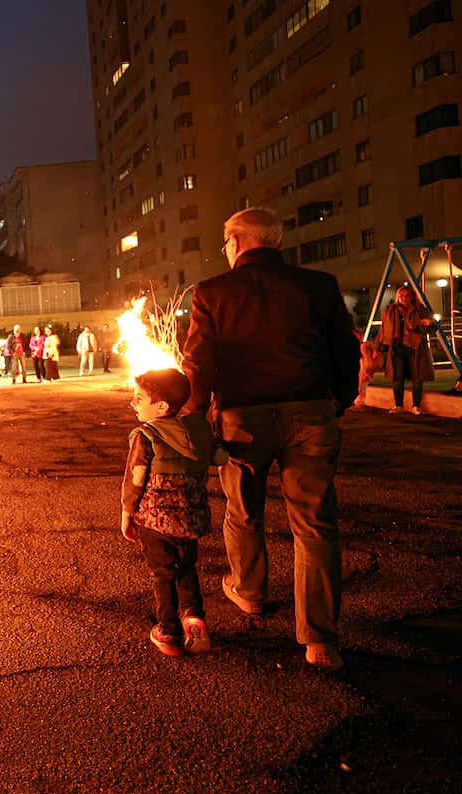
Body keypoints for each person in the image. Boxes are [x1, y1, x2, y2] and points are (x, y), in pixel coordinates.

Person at [182, 206, 359, 671]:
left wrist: (194, 418)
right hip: (310, 412)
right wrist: (339, 400)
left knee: (243, 511)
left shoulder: (212, 293)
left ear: (236, 243)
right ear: (276, 242)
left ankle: (250, 591)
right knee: (315, 523)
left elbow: (198, 364)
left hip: (242, 417)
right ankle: (320, 640)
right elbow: (345, 348)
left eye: (225, 243)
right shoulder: (318, 286)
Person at [122, 369, 225, 656]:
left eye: (139, 398)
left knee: (163, 573)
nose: (133, 403)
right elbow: (221, 457)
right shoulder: (197, 432)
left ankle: (168, 631)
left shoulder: (146, 435)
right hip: (191, 519)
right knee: (186, 566)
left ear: (162, 407)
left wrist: (127, 513)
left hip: (155, 521)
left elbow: (135, 479)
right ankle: (193, 615)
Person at [377, 284, 436, 415]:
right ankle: (398, 405)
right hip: (397, 349)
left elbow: (432, 329)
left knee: (417, 377)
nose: (404, 298)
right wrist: (378, 349)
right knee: (398, 378)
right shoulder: (391, 311)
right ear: (398, 297)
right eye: (401, 296)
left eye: (407, 296)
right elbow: (382, 330)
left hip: (415, 348)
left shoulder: (419, 309)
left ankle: (416, 406)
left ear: (412, 297)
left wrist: (421, 326)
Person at [354, 329, 380, 408]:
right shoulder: (354, 346)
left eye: (359, 335)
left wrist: (375, 352)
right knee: (359, 384)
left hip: (365, 366)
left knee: (362, 384)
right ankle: (358, 401)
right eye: (356, 336)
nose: (358, 337)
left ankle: (360, 402)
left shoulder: (365, 344)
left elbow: (374, 347)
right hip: (360, 367)